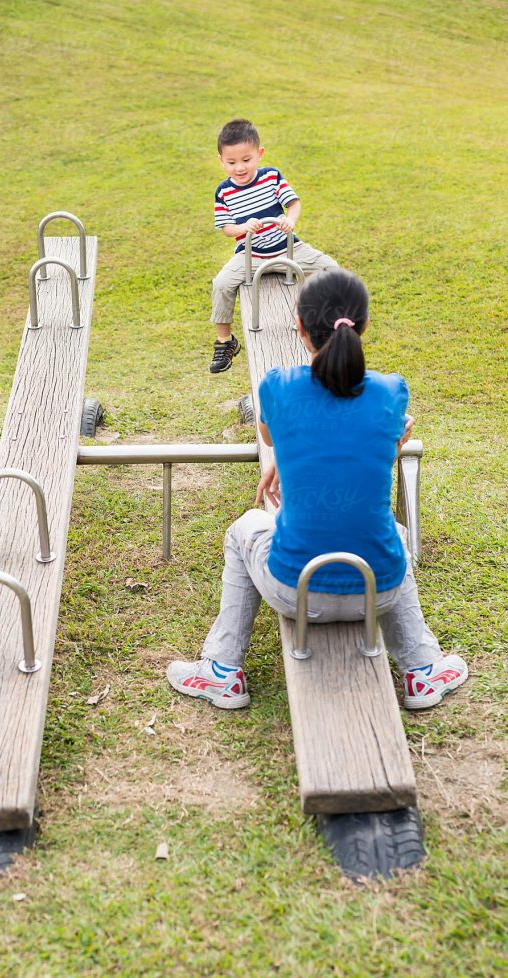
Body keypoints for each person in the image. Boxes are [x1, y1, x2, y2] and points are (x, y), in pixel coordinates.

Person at [169, 268, 468, 711]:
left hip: (297, 591)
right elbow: (362, 445)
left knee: (244, 529)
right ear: (363, 326)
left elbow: (273, 439)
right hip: (376, 591)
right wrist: (394, 437)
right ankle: (422, 670)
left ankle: (222, 668)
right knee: (396, 536)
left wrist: (282, 466)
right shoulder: (391, 391)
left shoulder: (278, 385)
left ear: (300, 327)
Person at [210, 118, 338, 373]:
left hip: (288, 249)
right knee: (222, 284)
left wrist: (290, 220)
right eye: (231, 162)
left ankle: (327, 325)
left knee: (332, 270)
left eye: (246, 160)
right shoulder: (224, 192)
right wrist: (244, 228)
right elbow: (226, 228)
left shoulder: (271, 177)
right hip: (251, 254)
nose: (239, 168)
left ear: (259, 154)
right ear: (221, 161)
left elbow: (293, 203)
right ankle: (225, 340)